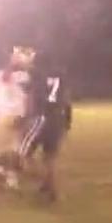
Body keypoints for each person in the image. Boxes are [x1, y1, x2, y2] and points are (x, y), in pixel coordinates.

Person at [19, 51, 72, 202]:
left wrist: (26, 117)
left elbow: (30, 97)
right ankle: (51, 188)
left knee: (24, 155)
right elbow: (67, 99)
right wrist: (68, 121)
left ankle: (44, 180)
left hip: (40, 118)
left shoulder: (36, 74)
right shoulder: (61, 75)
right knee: (50, 158)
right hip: (58, 118)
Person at [0, 46, 35, 190]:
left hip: (8, 114)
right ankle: (3, 170)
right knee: (11, 147)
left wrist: (14, 62)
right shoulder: (25, 76)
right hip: (17, 113)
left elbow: (5, 77)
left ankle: (11, 177)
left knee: (7, 148)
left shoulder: (12, 75)